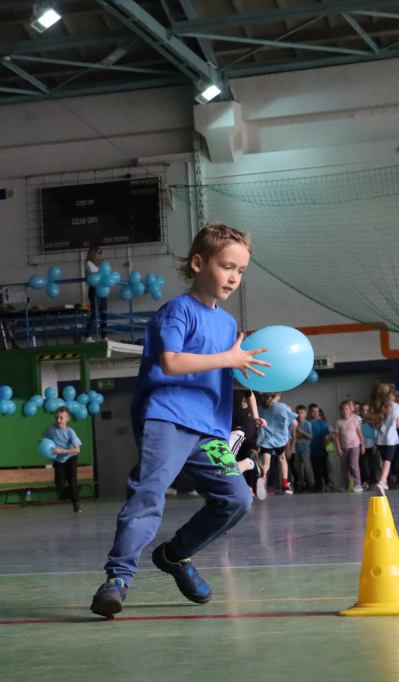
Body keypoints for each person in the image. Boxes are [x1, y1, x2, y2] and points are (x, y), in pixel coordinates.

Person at [89, 223, 268, 619]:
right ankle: (117, 579)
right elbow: (171, 362)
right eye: (227, 267)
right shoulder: (177, 310)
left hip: (211, 429)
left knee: (237, 499)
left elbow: (214, 369)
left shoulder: (225, 325)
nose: (234, 278)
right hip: (168, 418)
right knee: (148, 494)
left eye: (241, 271)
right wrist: (227, 360)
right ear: (199, 262)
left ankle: (175, 554)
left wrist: (242, 370)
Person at [42, 406, 83, 512]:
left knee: (72, 482)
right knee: (59, 483)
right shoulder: (51, 428)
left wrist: (62, 451)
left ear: (67, 419)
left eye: (61, 418)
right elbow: (44, 438)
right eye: (56, 418)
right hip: (59, 460)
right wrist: (42, 443)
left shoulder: (70, 432)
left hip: (70, 458)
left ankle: (76, 503)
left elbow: (77, 449)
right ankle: (69, 493)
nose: (58, 420)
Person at [258, 392, 298, 494]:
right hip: (280, 439)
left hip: (265, 439)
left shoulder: (260, 407)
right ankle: (285, 486)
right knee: (282, 459)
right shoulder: (282, 407)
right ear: (279, 395)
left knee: (266, 464)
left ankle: (261, 483)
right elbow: (295, 423)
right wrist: (289, 411)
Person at [366, 381, 399, 492]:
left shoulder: (374, 408)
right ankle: (382, 481)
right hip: (391, 439)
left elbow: (371, 424)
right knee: (388, 461)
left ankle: (384, 482)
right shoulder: (395, 406)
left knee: (384, 461)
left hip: (380, 440)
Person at [334, 399, 365, 492]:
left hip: (355, 446)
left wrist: (362, 445)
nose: (345, 411)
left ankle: (358, 484)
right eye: (343, 409)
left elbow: (359, 434)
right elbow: (336, 437)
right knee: (344, 467)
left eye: (347, 409)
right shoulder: (339, 422)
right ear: (340, 410)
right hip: (344, 447)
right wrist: (338, 448)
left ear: (350, 410)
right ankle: (347, 484)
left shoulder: (354, 421)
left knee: (354, 465)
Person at [84, 246, 108, 342]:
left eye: (100, 254)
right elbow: (94, 274)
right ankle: (87, 336)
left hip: (102, 288)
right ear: (93, 254)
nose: (99, 256)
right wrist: (103, 268)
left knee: (104, 312)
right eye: (98, 254)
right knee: (95, 313)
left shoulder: (99, 264)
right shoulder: (88, 263)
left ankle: (104, 336)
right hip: (94, 289)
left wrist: (103, 266)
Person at [292, 405, 314, 492]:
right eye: (298, 413)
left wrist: (302, 432)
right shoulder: (294, 424)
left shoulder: (307, 424)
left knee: (307, 467)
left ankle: (311, 484)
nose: (300, 415)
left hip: (306, 449)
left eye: (302, 413)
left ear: (305, 414)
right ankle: (301, 484)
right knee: (298, 467)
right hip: (297, 449)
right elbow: (294, 436)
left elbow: (310, 436)